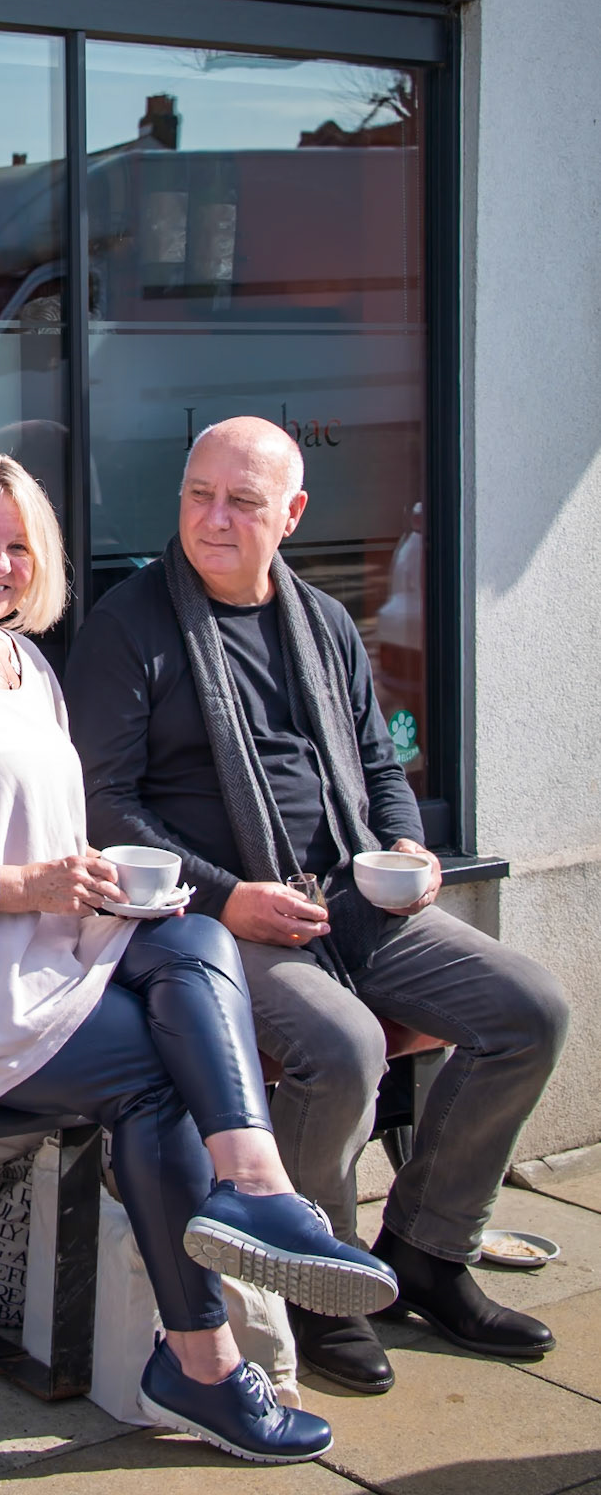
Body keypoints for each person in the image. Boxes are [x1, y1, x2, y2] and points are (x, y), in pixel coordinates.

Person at [0, 448, 398, 1466]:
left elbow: (45, 827)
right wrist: (24, 885)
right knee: (154, 1073)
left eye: (19, 546)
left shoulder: (22, 664)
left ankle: (254, 1188)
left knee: (194, 932)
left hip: (13, 944)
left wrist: (88, 875)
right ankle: (202, 1364)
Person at [65, 416, 570, 1395]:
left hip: (350, 898)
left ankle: (428, 1248)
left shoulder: (324, 621)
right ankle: (317, 1282)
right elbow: (102, 804)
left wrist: (407, 845)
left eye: (241, 501)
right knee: (341, 1046)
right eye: (198, 494)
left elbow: (379, 763)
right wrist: (228, 898)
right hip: (208, 925)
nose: (213, 518)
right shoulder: (130, 626)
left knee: (529, 1009)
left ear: (291, 514)